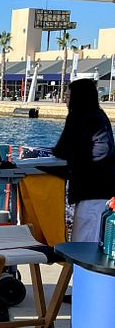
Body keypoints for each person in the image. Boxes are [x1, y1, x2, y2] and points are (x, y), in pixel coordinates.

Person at [53, 78, 115, 241]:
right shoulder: (97, 115)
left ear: (78, 98)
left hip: (92, 190)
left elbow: (62, 150)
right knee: (89, 240)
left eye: (67, 97)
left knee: (85, 244)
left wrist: (76, 161)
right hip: (102, 189)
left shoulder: (81, 117)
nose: (65, 101)